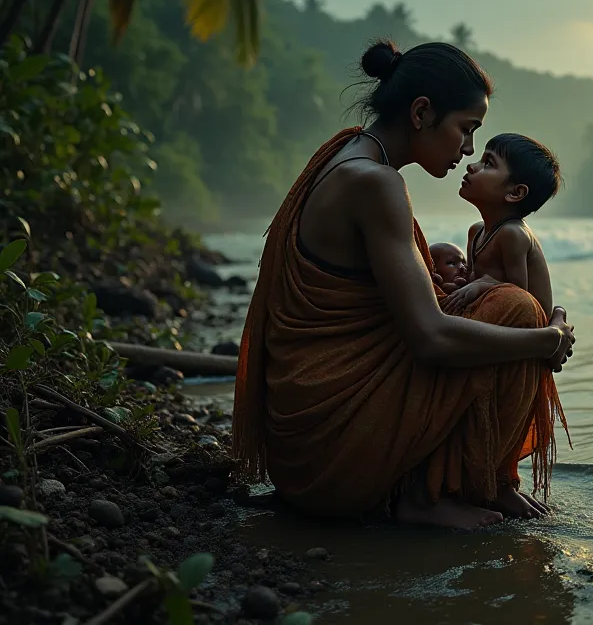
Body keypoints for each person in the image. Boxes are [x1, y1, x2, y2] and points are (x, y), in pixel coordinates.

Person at [232, 39, 575, 530]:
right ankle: (429, 494)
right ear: (421, 113)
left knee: (496, 307)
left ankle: (465, 483)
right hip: (331, 457)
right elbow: (430, 337)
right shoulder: (375, 182)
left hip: (302, 447)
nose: (468, 150)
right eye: (466, 129)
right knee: (518, 309)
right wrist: (546, 339)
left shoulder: (347, 152)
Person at [442, 134, 560, 318]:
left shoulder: (513, 234)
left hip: (524, 325)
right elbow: (473, 280)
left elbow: (517, 295)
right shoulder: (476, 231)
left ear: (516, 192)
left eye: (488, 163)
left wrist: (483, 284)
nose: (471, 166)